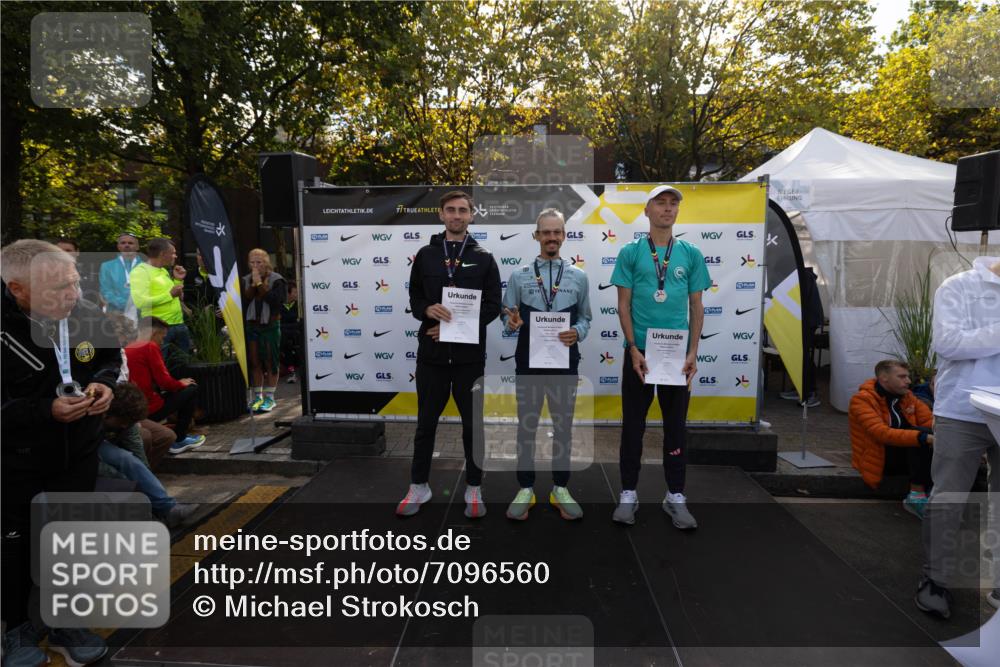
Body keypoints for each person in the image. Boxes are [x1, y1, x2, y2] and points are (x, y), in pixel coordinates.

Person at [2, 239, 119, 666]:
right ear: (17, 289)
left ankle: (65, 619)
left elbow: (109, 356)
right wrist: (42, 411)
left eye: (74, 283)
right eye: (57, 290)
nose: (71, 296)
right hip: (14, 461)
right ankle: (14, 630)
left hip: (78, 452)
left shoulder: (83, 311)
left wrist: (106, 383)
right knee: (13, 548)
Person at [609, 185, 712, 528]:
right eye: (661, 203)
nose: (667, 209)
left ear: (678, 212)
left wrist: (694, 352)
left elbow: (697, 306)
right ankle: (627, 493)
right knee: (633, 427)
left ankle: (675, 495)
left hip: (676, 356)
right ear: (647, 211)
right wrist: (633, 348)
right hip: (640, 355)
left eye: (673, 204)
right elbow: (622, 305)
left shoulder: (691, 253)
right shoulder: (631, 251)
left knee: (675, 428)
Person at [397, 190, 502, 518]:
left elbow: (492, 306)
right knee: (425, 425)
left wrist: (455, 328)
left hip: (469, 360)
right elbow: (414, 296)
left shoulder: (484, 257)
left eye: (463, 211)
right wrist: (427, 308)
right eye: (451, 210)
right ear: (441, 215)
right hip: (431, 357)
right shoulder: (426, 254)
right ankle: (419, 486)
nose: (457, 216)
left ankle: (474, 487)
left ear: (472, 215)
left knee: (473, 427)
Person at [916, 256, 1000, 619]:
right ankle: (935, 580)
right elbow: (948, 343)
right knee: (948, 496)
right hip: (963, 409)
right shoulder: (958, 286)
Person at [500, 208, 592, 521]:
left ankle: (560, 488)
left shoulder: (579, 276)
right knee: (526, 427)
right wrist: (510, 322)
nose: (551, 237)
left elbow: (586, 318)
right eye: (546, 232)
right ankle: (525, 487)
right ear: (536, 236)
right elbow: (506, 316)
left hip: (565, 362)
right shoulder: (519, 275)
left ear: (564, 236)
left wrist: (577, 331)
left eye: (557, 232)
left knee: (563, 427)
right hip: (529, 362)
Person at [100, 383, 198, 527]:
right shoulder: (87, 418)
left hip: (98, 442)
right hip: (76, 449)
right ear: (107, 415)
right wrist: (126, 481)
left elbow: (137, 452)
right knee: (118, 474)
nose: (123, 426)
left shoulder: (125, 420)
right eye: (122, 423)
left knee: (128, 459)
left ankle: (168, 508)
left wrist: (144, 479)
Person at [848, 360, 934, 517]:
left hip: (906, 454)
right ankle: (916, 496)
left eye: (908, 377)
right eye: (902, 376)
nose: (908, 381)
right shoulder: (862, 399)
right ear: (884, 378)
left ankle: (941, 496)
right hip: (879, 457)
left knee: (930, 435)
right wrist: (923, 437)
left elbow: (930, 423)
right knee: (920, 437)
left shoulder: (908, 397)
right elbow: (880, 433)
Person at [105, 311, 177, 468]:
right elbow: (165, 381)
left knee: (167, 436)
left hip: (128, 409)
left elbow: (125, 386)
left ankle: (141, 475)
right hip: (107, 414)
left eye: (123, 339)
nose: (123, 343)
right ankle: (138, 478)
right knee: (144, 437)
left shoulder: (122, 353)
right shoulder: (92, 356)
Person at [125, 317, 206, 455]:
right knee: (191, 388)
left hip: (135, 406)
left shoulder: (128, 347)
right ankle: (179, 438)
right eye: (162, 337)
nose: (162, 342)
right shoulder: (149, 346)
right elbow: (165, 382)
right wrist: (181, 383)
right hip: (148, 408)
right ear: (154, 333)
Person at [242, 249, 287, 412]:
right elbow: (246, 299)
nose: (255, 265)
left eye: (258, 262)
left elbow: (276, 302)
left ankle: (270, 398)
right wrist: (254, 283)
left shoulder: (277, 279)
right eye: (252, 262)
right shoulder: (246, 279)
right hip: (252, 325)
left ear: (266, 263)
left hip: (270, 326)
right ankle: (258, 397)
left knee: (270, 361)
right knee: (255, 362)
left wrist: (260, 284)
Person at [130, 237, 190, 355]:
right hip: (157, 329)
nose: (175, 256)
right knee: (160, 366)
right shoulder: (140, 272)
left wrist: (178, 280)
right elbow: (140, 302)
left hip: (178, 324)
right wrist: (169, 295)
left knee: (182, 365)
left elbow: (175, 296)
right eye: (173, 253)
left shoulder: (163, 271)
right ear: (163, 254)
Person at [99, 232, 143, 319]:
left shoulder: (146, 267)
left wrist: (137, 305)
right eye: (123, 243)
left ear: (137, 246)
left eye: (130, 243)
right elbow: (105, 290)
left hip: (141, 313)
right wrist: (126, 305)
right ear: (118, 246)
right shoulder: (107, 266)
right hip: (116, 313)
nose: (126, 245)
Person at [280, 281, 302, 384]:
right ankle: (291, 371)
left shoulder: (299, 305)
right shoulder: (280, 305)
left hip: (294, 332)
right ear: (288, 293)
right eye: (294, 292)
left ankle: (294, 371)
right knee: (285, 342)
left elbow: (299, 323)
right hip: (284, 333)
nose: (297, 294)